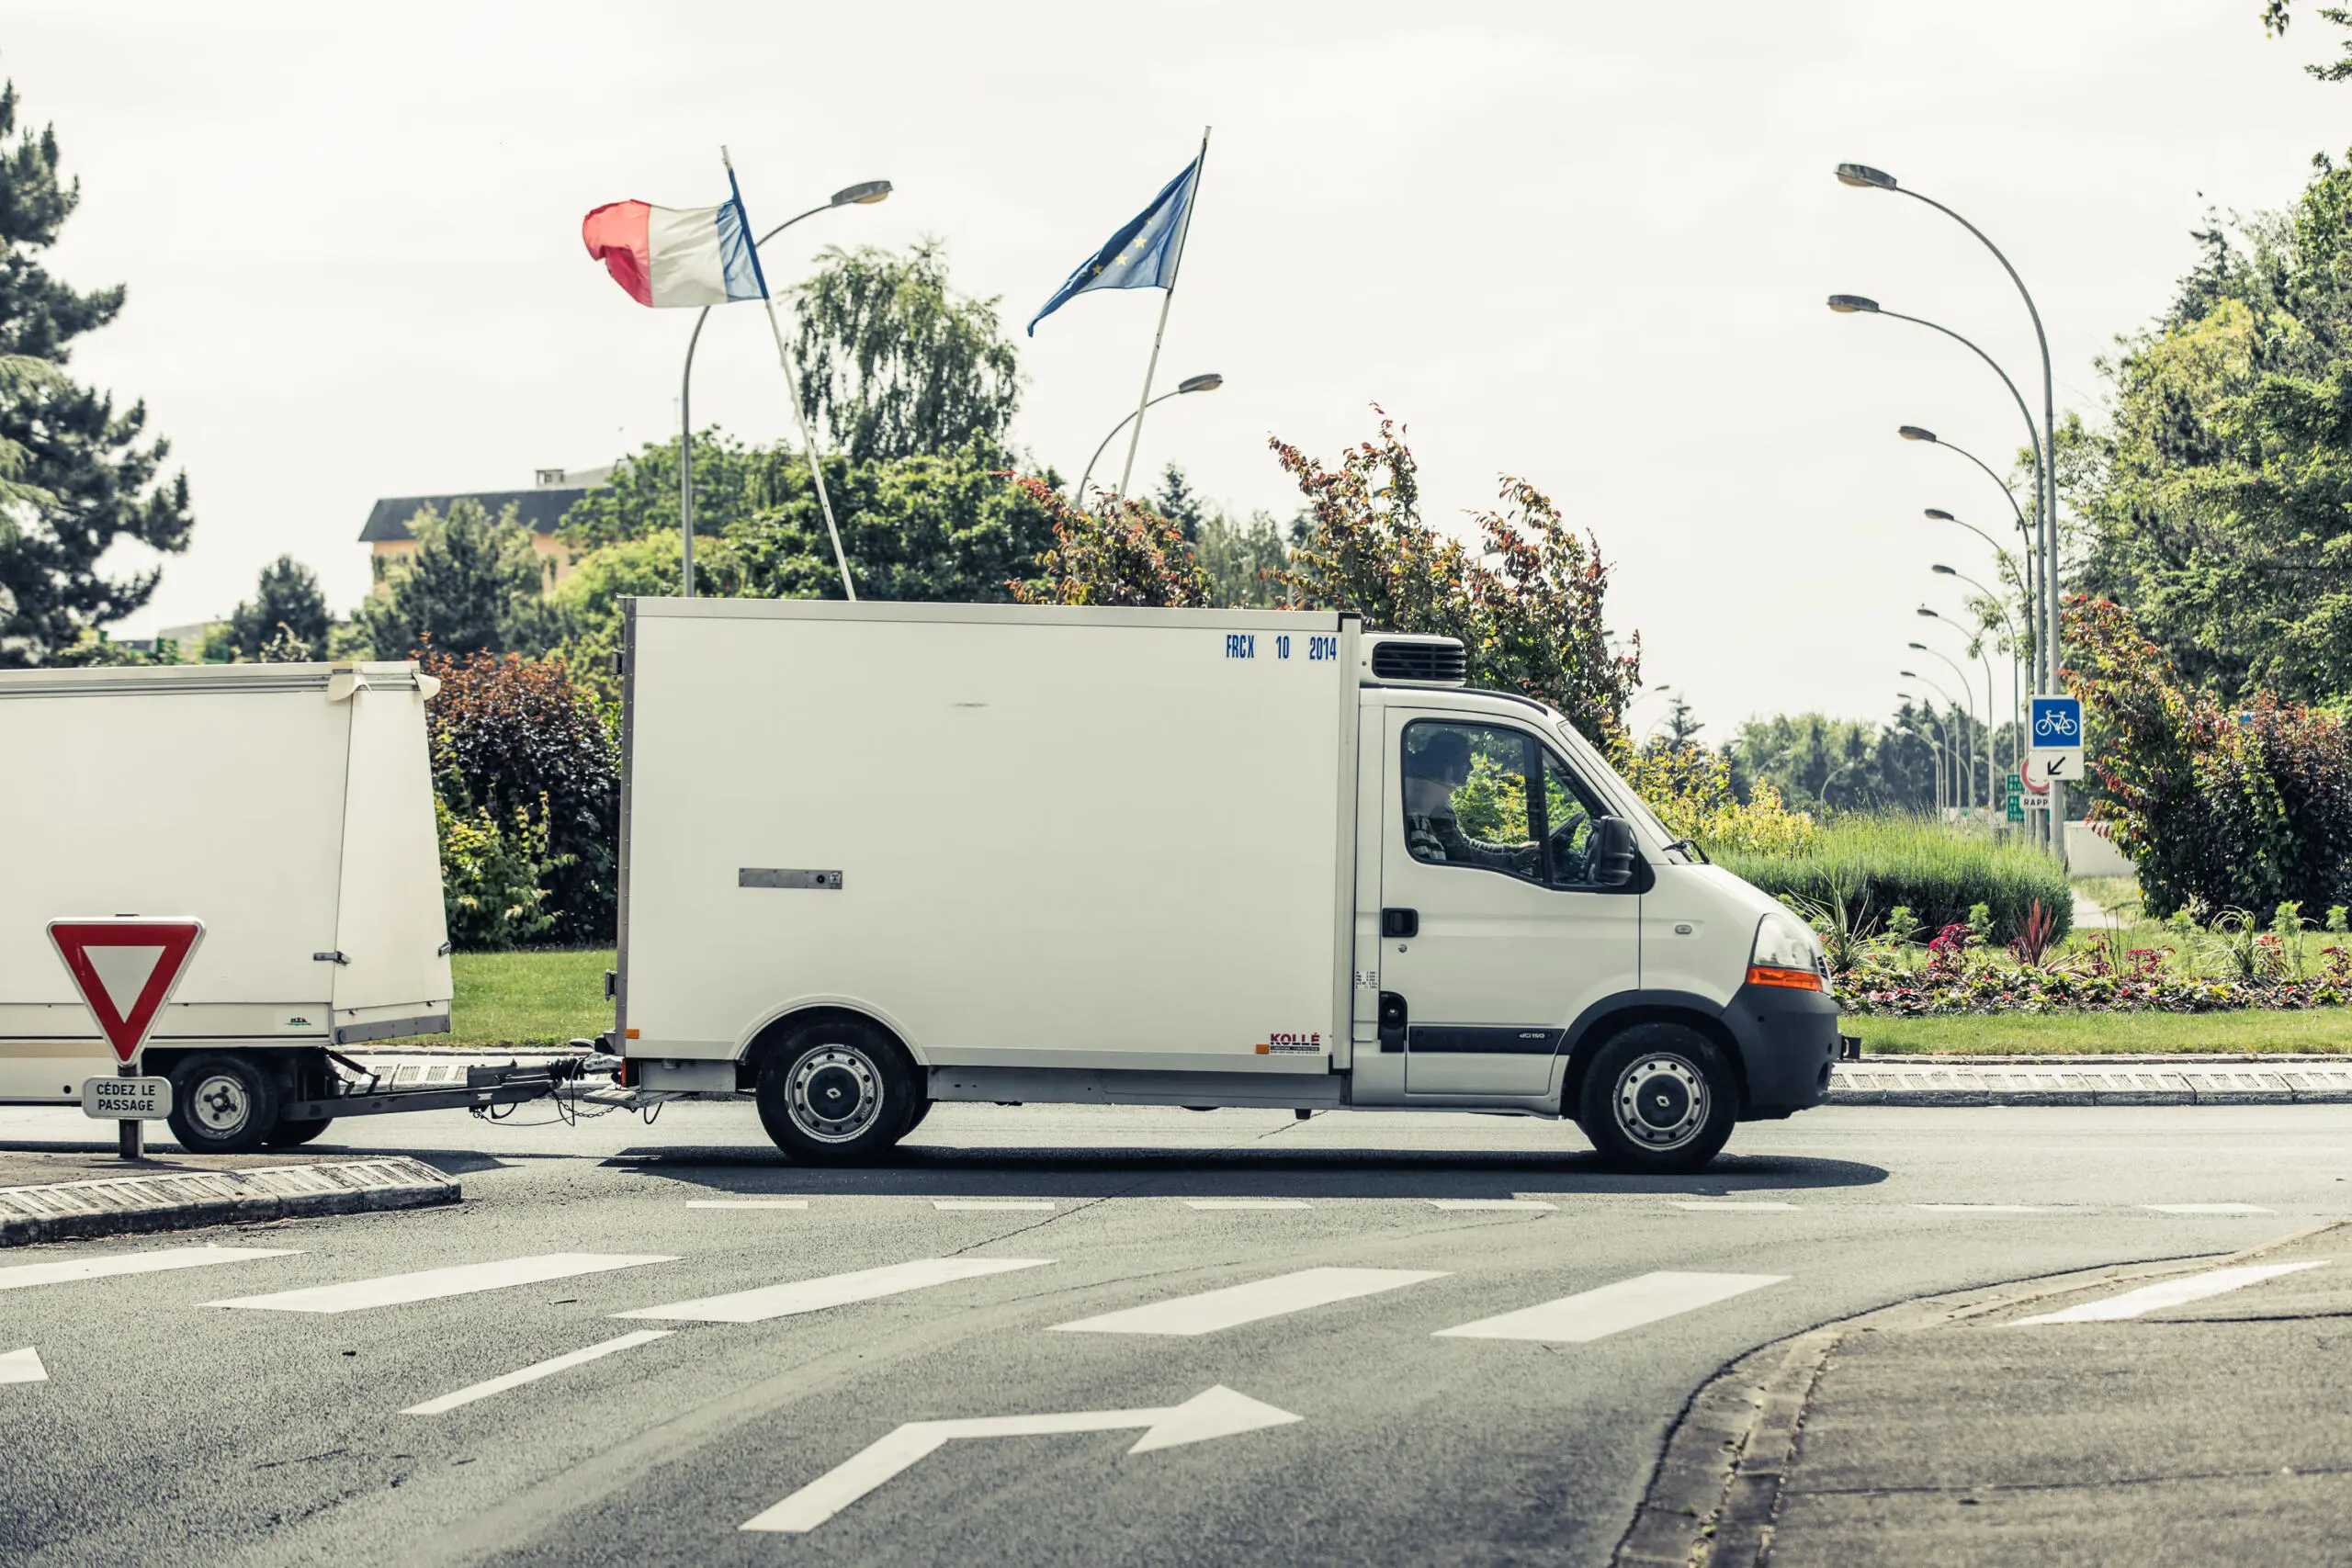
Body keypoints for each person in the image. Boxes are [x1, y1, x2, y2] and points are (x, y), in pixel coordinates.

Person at [1403, 729, 1535, 871]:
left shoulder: (1439, 805)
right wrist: (1514, 859)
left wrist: (1513, 850)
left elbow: (1463, 843)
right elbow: (1461, 854)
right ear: (1448, 765)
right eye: (1465, 760)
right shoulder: (1428, 811)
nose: (1471, 767)